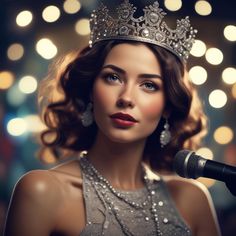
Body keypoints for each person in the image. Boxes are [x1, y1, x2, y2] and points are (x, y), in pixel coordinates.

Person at [4, 1, 221, 235]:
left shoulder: (192, 200)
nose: (126, 98)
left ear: (167, 106)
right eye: (113, 78)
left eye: (148, 85)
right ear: (90, 89)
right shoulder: (42, 191)